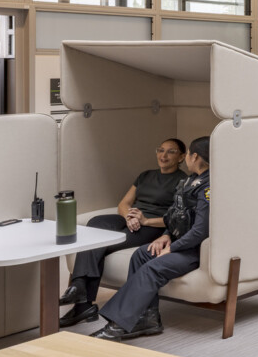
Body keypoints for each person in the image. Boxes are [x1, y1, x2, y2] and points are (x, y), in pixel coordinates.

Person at [90, 136, 211, 341]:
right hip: (179, 244)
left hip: (194, 251)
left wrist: (172, 248)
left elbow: (200, 231)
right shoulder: (189, 181)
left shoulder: (208, 187)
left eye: (188, 154)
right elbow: (176, 217)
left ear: (193, 156)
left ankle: (118, 324)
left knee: (153, 266)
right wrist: (165, 236)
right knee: (141, 254)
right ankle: (149, 318)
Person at [59, 138, 187, 327]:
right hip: (132, 219)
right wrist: (129, 217)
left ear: (181, 157)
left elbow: (177, 218)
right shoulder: (145, 175)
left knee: (101, 243)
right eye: (161, 150)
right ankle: (79, 291)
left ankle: (82, 302)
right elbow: (124, 203)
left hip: (152, 225)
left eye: (171, 152)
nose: (164, 155)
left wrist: (145, 220)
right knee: (96, 224)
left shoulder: (183, 182)